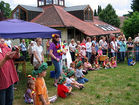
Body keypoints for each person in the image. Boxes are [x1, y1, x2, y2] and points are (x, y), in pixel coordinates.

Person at [0, 38, 20, 105]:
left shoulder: (5, 47)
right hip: (1, 82)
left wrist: (17, 52)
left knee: (10, 100)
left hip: (10, 79)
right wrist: (5, 59)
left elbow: (16, 57)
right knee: (2, 102)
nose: (2, 42)